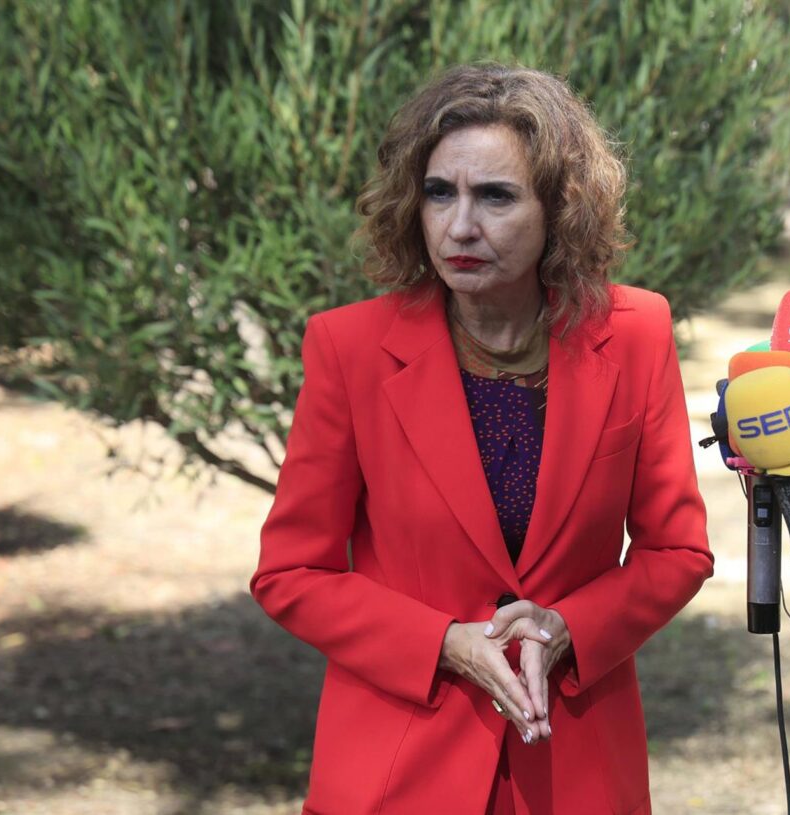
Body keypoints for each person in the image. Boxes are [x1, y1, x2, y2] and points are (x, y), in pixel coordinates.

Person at [251, 63, 713, 815]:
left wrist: (570, 626)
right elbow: (290, 573)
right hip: (397, 773)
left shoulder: (635, 335)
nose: (459, 225)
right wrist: (440, 641)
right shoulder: (348, 348)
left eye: (495, 196)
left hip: (575, 767)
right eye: (440, 192)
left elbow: (677, 552)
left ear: (559, 209)